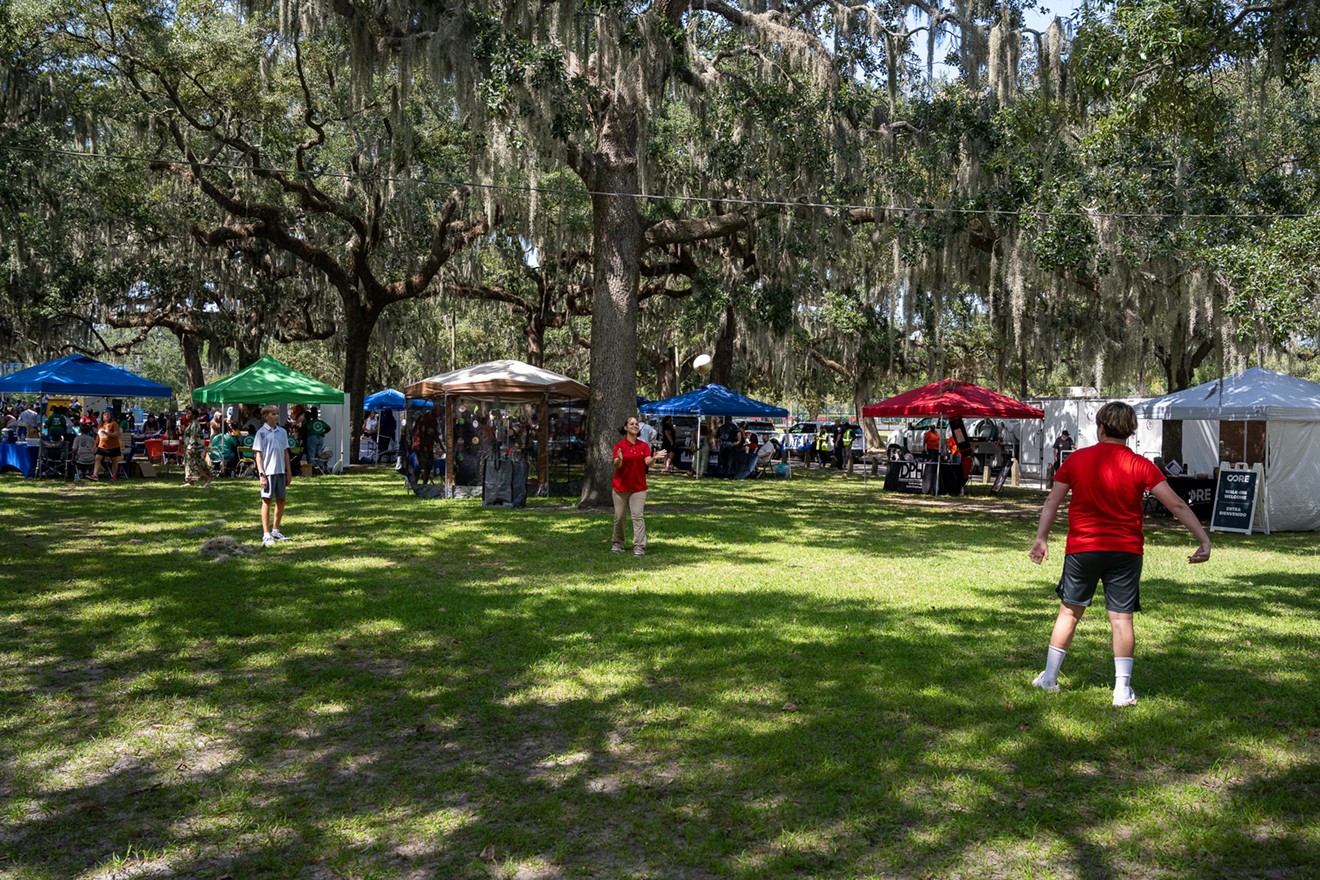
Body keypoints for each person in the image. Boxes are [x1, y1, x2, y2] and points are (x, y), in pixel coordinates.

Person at [1029, 402, 1211, 707]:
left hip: (1083, 549)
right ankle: (1122, 690)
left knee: (1069, 612)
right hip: (1126, 552)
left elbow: (1052, 502)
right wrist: (1203, 539)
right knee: (1121, 618)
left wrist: (1041, 538)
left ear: (1100, 428)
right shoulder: (1141, 465)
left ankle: (1049, 678)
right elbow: (1177, 504)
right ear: (1130, 431)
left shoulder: (1076, 459)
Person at [612, 416, 663, 556]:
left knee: (637, 516)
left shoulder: (643, 446)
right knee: (619, 516)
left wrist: (654, 458)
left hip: (638, 488)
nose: (635, 425)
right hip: (620, 487)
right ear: (626, 428)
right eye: (631, 424)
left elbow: (648, 462)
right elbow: (617, 464)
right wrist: (620, 459)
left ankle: (639, 546)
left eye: (636, 424)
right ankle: (618, 543)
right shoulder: (619, 446)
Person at [253, 404, 292, 547]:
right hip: (268, 472)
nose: (276, 416)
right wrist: (262, 474)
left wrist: (289, 471)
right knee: (267, 501)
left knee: (281, 500)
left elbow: (285, 452)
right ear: (265, 416)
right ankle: (266, 533)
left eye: (277, 414)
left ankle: (276, 530)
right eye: (273, 414)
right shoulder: (261, 433)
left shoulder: (282, 432)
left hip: (281, 471)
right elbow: (259, 455)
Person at [182, 405, 213, 488]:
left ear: (194, 415)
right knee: (190, 465)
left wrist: (190, 447)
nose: (187, 415)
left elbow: (194, 436)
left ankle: (207, 478)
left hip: (194, 448)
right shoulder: (191, 424)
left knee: (197, 464)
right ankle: (190, 481)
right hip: (190, 447)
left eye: (189, 413)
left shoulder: (195, 424)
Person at [91, 410, 124, 481]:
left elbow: (116, 434)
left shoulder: (114, 424)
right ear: (102, 416)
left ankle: (114, 476)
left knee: (114, 460)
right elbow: (98, 436)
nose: (106, 416)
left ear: (110, 416)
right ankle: (95, 475)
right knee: (97, 459)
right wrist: (95, 445)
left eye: (108, 415)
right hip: (102, 446)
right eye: (105, 414)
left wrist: (107, 434)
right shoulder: (100, 425)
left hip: (113, 446)